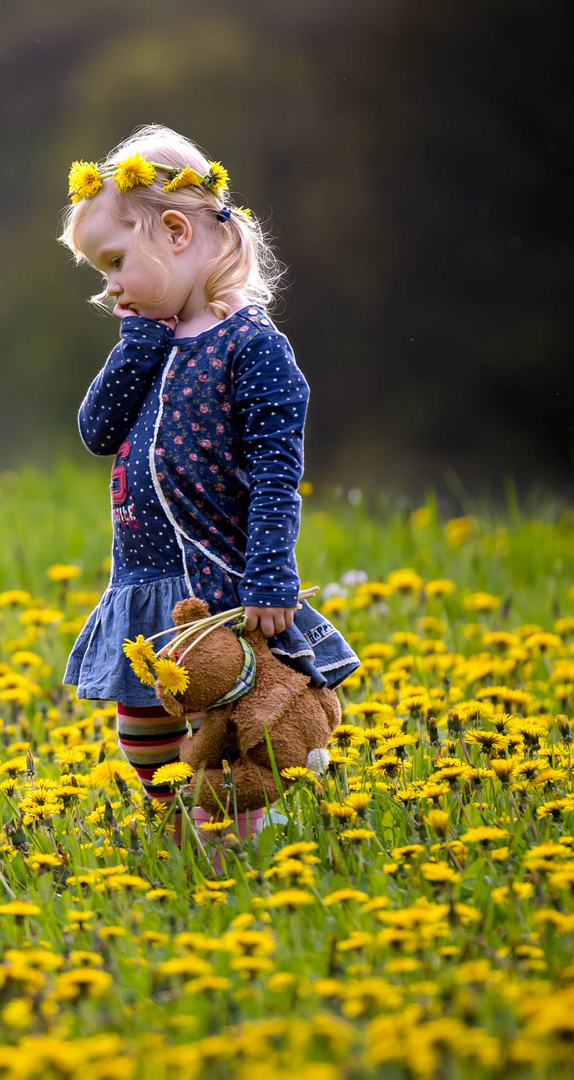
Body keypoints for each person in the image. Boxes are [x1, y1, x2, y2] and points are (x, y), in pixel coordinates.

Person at [56, 125, 360, 844]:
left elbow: (275, 473)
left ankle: (235, 838)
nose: (109, 288)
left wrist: (268, 576)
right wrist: (136, 345)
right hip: (144, 580)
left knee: (224, 723)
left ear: (173, 233)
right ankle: (174, 832)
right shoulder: (147, 341)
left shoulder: (250, 347)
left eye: (115, 263)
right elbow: (96, 431)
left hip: (220, 583)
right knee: (142, 726)